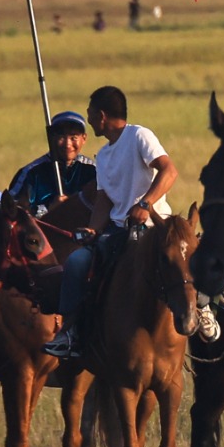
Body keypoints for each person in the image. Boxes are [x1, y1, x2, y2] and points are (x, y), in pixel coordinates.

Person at [45, 88, 178, 358]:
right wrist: (93, 229)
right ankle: (71, 332)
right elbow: (104, 199)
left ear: (102, 116)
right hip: (118, 231)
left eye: (90, 114)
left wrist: (146, 204)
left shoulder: (139, 135)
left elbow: (169, 170)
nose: (89, 120)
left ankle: (204, 311)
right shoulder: (103, 155)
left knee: (185, 260)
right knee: (77, 262)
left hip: (156, 226)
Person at [6, 110, 96, 217]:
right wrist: (49, 209)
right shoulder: (31, 173)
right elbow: (12, 211)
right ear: (51, 138)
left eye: (74, 138)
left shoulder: (94, 171)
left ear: (84, 139)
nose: (67, 144)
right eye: (61, 137)